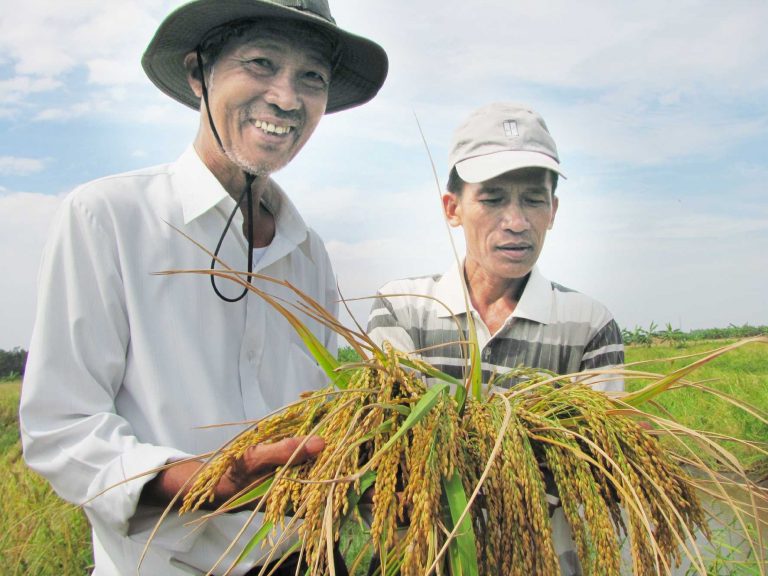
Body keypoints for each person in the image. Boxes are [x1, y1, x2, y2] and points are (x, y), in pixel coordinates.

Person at [19, 1, 387, 574]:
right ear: (198, 73)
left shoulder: (307, 250)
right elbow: (62, 426)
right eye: (261, 63)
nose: (286, 99)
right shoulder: (109, 217)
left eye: (311, 77)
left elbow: (319, 411)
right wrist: (198, 480)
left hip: (302, 557)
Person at [366, 102, 624, 575]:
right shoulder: (401, 307)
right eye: (493, 198)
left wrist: (453, 453)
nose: (516, 221)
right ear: (453, 209)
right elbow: (394, 453)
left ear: (553, 211)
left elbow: (593, 471)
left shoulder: (588, 325)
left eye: (533, 199)